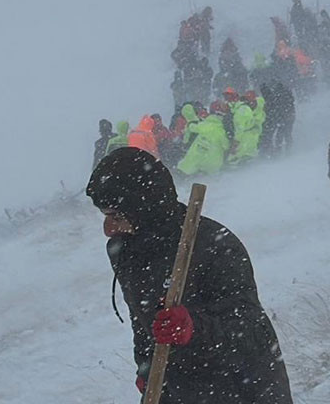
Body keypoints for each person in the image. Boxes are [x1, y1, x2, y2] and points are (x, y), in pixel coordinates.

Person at [86, 147, 293, 403]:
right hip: (176, 388)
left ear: (142, 207)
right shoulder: (125, 250)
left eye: (116, 216)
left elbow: (251, 331)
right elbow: (141, 322)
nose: (108, 229)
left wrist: (194, 328)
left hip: (241, 388)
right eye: (106, 217)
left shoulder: (213, 246)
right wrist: (146, 369)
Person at [176, 103, 230, 176]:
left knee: (191, 160)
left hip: (198, 156)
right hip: (213, 161)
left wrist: (189, 125)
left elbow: (192, 128)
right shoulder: (221, 131)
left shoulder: (203, 125)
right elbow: (226, 146)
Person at [258, 82, 295, 157]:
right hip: (286, 117)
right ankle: (286, 151)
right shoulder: (284, 95)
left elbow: (273, 107)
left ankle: (279, 151)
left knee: (280, 135)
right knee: (286, 134)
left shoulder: (273, 96)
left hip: (282, 117)